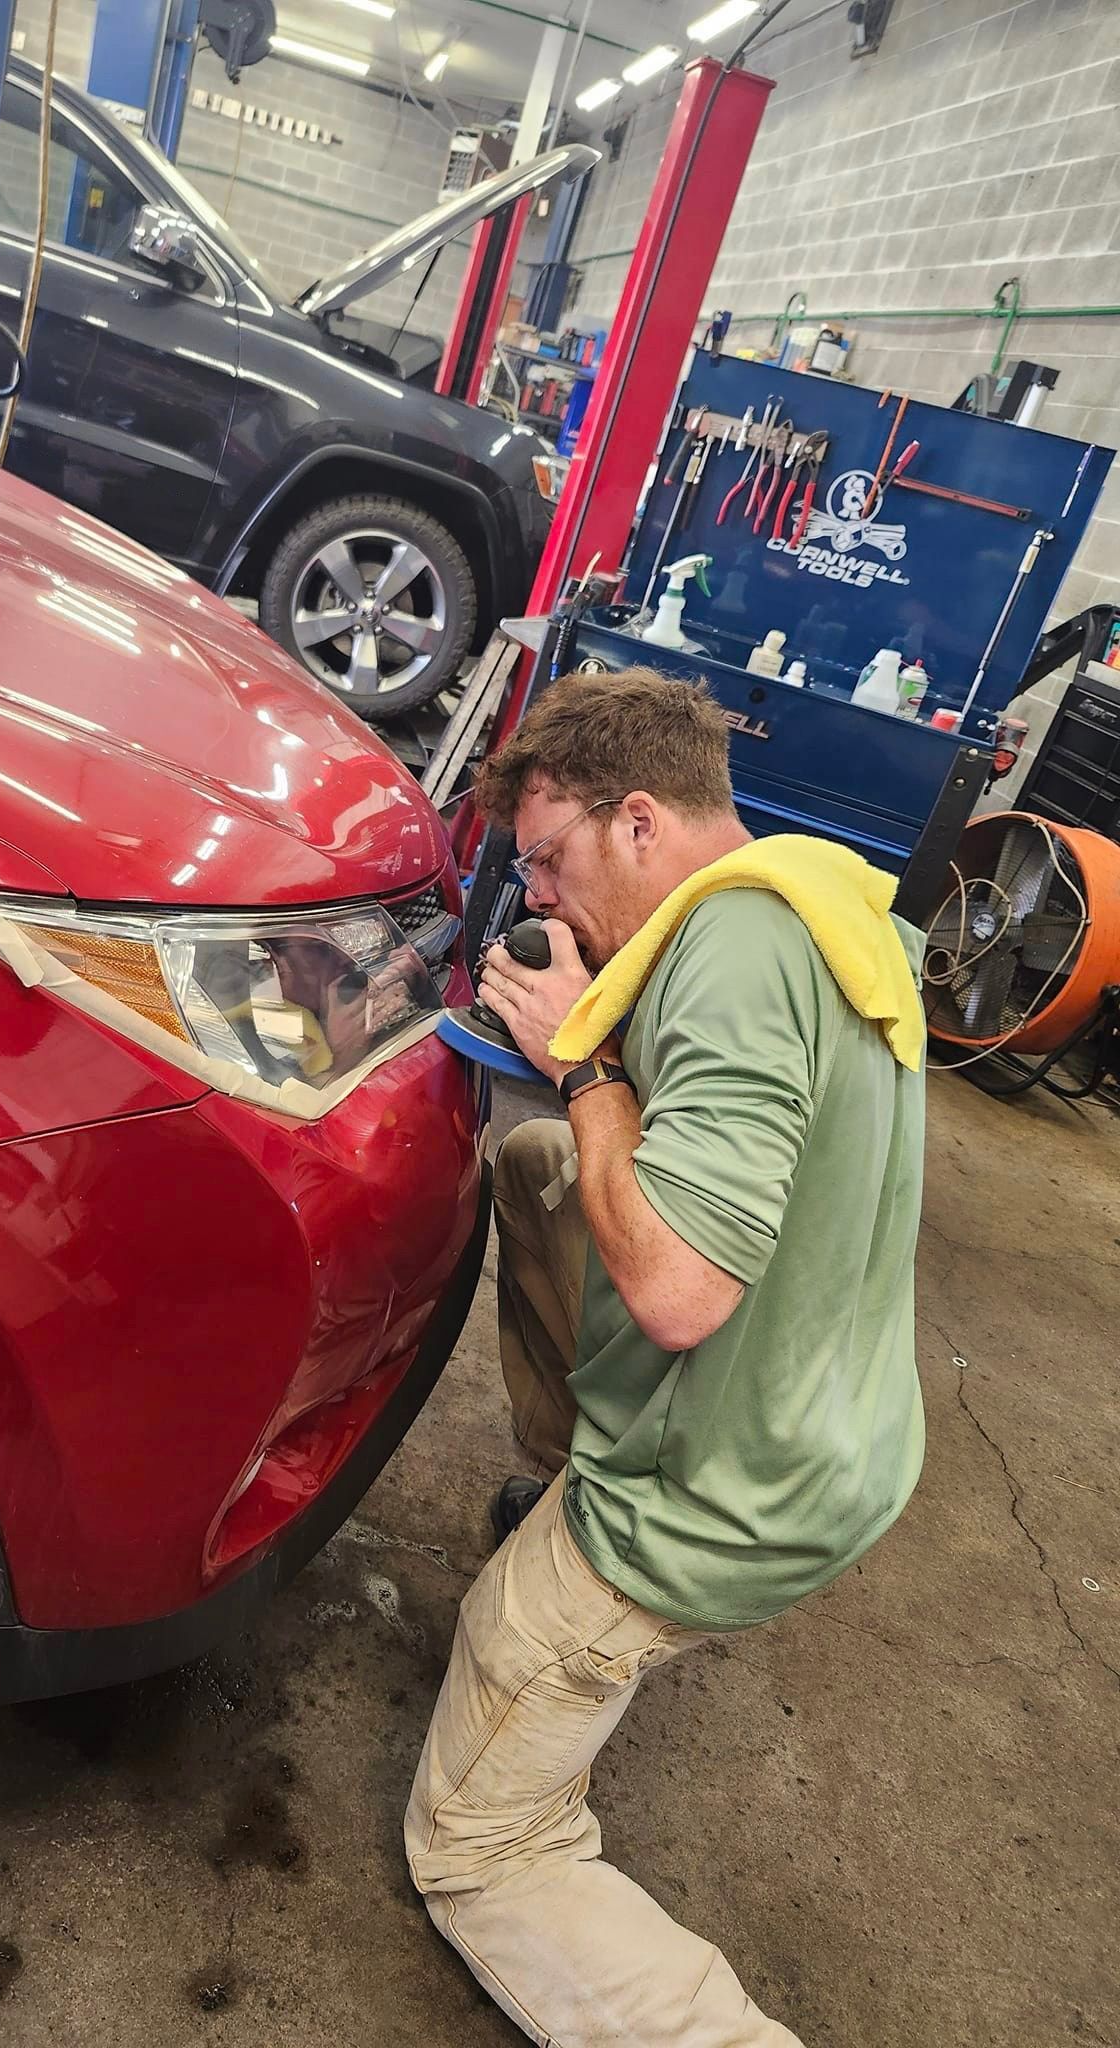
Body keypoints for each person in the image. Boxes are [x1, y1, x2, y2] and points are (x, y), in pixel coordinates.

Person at [405, 668, 928, 2047]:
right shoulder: (817, 900)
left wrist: (582, 1064)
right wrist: (602, 1041)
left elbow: (686, 1292)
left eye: (552, 862)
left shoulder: (736, 958)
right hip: (839, 1432)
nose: (547, 903)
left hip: (722, 1494)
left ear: (640, 822)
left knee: (478, 1849)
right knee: (536, 1171)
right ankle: (572, 1467)